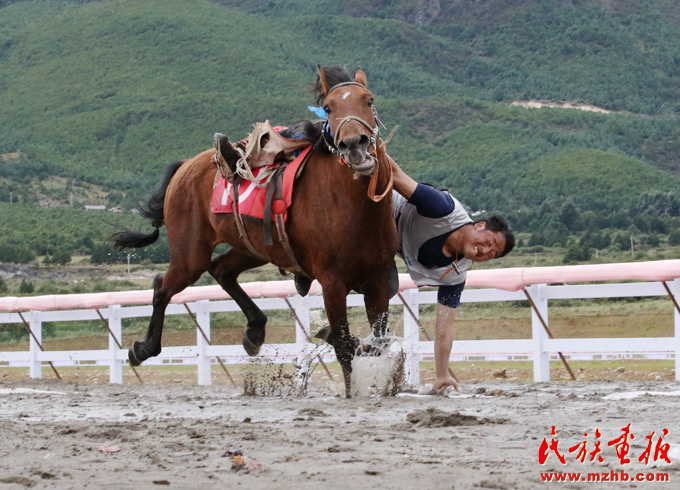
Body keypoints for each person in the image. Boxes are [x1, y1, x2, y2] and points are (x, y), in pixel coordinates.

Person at [388, 156, 515, 394]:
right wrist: (368, 148)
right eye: (490, 242)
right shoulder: (442, 208)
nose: (486, 251)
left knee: (385, 285)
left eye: (492, 254)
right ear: (480, 225)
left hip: (388, 249)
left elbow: (444, 327)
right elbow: (394, 174)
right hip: (380, 210)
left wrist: (442, 374)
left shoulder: (455, 275)